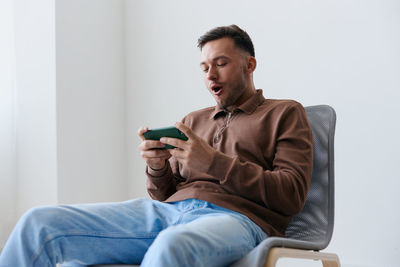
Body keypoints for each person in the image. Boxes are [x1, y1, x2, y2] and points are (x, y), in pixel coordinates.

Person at [0, 25, 313, 267]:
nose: (210, 75)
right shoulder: (193, 120)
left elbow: (291, 195)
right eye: (204, 67)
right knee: (38, 223)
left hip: (239, 221)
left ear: (249, 64)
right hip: (168, 212)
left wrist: (213, 163)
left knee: (171, 246)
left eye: (221, 63)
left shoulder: (284, 112)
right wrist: (157, 166)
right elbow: (165, 195)